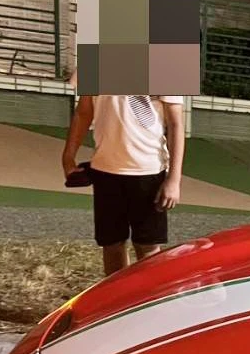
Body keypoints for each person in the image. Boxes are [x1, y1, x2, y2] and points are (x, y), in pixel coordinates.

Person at [62, 94, 186, 275]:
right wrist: (68, 157)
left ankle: (148, 292)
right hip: (104, 169)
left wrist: (174, 180)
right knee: (111, 244)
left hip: (148, 171)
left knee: (148, 247)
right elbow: (83, 112)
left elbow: (176, 124)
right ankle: (117, 291)